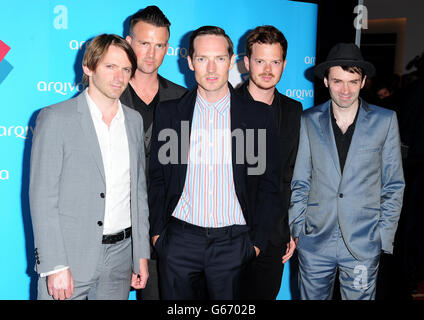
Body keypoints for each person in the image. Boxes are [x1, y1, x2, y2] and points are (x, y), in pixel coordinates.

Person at [148, 26, 281, 299]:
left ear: (232, 61)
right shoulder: (169, 113)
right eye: (202, 58)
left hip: (233, 245)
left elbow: (269, 185)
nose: (211, 68)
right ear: (189, 62)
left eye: (219, 58)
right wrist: (159, 236)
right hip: (178, 243)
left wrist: (254, 243)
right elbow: (157, 178)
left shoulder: (258, 117)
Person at [29, 34, 150, 300]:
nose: (119, 76)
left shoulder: (134, 121)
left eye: (126, 69)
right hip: (69, 258)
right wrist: (55, 264)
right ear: (88, 67)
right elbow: (42, 198)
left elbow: (138, 193)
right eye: (110, 66)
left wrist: (140, 253)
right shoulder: (55, 118)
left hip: (120, 258)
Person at [289, 43, 405, 300]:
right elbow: (301, 181)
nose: (345, 90)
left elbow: (394, 184)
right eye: (338, 81)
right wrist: (298, 229)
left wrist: (382, 237)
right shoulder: (308, 120)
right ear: (326, 81)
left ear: (363, 82)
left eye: (352, 82)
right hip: (315, 240)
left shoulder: (385, 120)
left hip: (363, 242)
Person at [121, 5, 187, 300]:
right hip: (114, 229)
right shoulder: (107, 94)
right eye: (144, 43)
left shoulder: (184, 98)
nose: (151, 53)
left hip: (165, 230)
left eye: (159, 45)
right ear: (128, 42)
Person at [235, 25, 302, 300]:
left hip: (274, 237)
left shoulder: (293, 110)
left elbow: (293, 176)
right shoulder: (225, 105)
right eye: (260, 61)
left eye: (275, 62)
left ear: (284, 64)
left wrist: (291, 230)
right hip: (226, 236)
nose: (267, 69)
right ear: (247, 62)